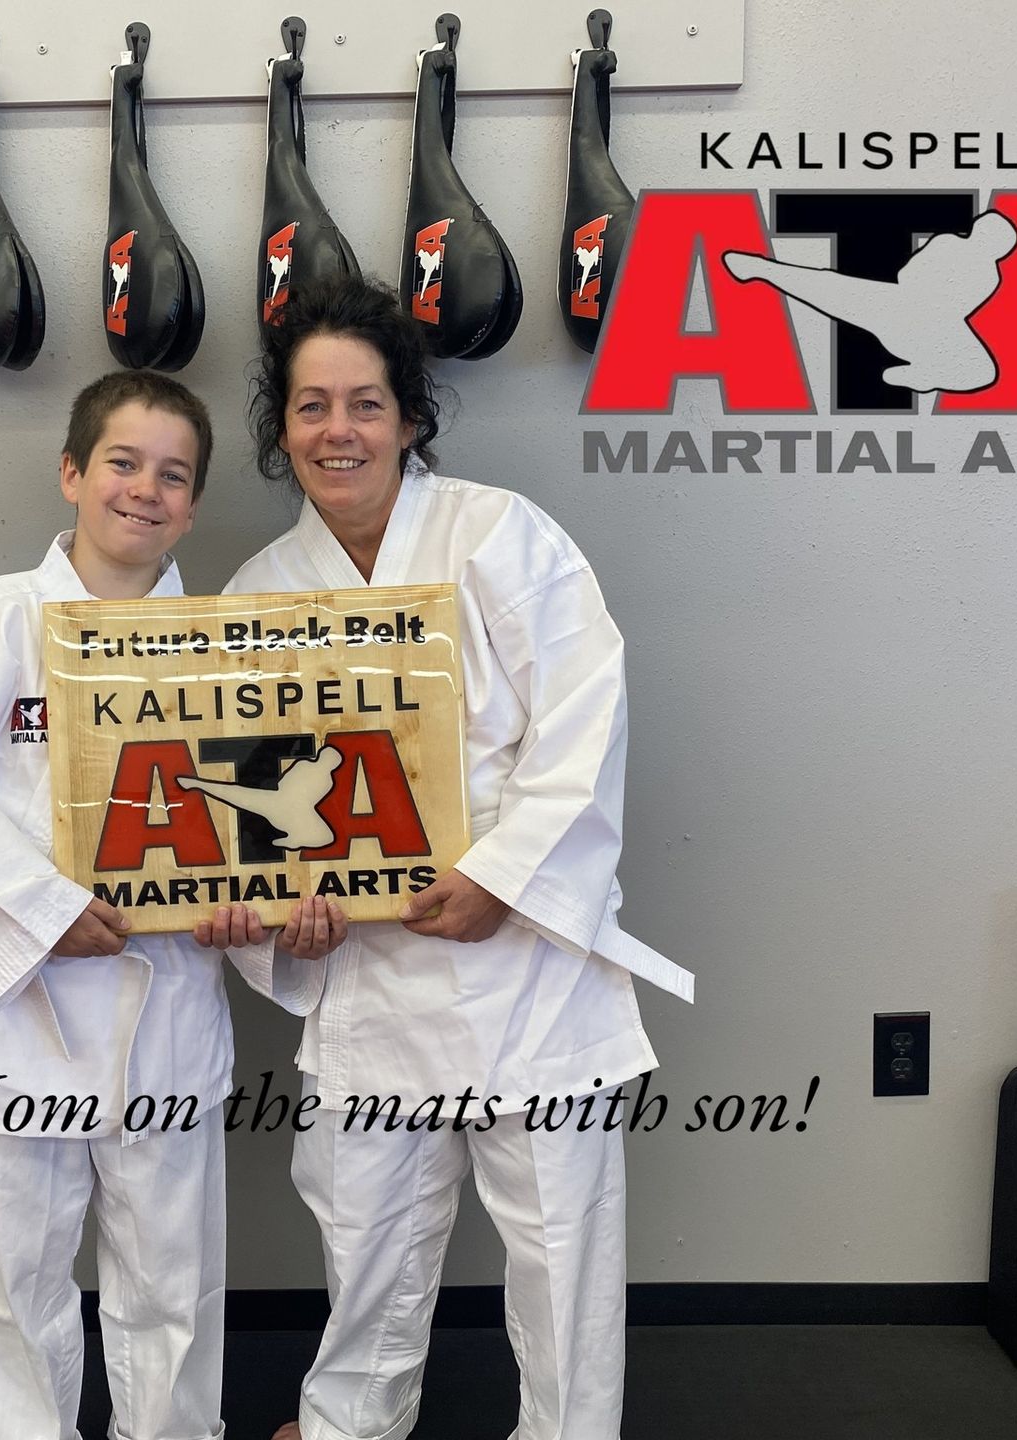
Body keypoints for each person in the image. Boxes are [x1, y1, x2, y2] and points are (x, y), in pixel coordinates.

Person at [199, 276, 695, 1440]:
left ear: (410, 418)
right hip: (375, 971)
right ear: (283, 429)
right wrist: (286, 910)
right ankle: (349, 1424)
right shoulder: (263, 593)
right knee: (363, 1227)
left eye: (365, 403)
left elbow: (585, 717)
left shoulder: (501, 535)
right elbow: (261, 802)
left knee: (561, 1246)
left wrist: (503, 876)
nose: (339, 430)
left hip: (521, 961)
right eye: (313, 405)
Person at [0, 369, 342, 1440]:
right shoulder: (0, 617)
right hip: (25, 1013)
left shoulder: (228, 645)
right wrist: (42, 909)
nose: (145, 490)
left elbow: (265, 825)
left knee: (172, 1288)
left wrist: (266, 914)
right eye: (123, 464)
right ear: (73, 474)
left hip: (168, 1008)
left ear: (192, 504)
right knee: (8, 1284)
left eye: (174, 475)